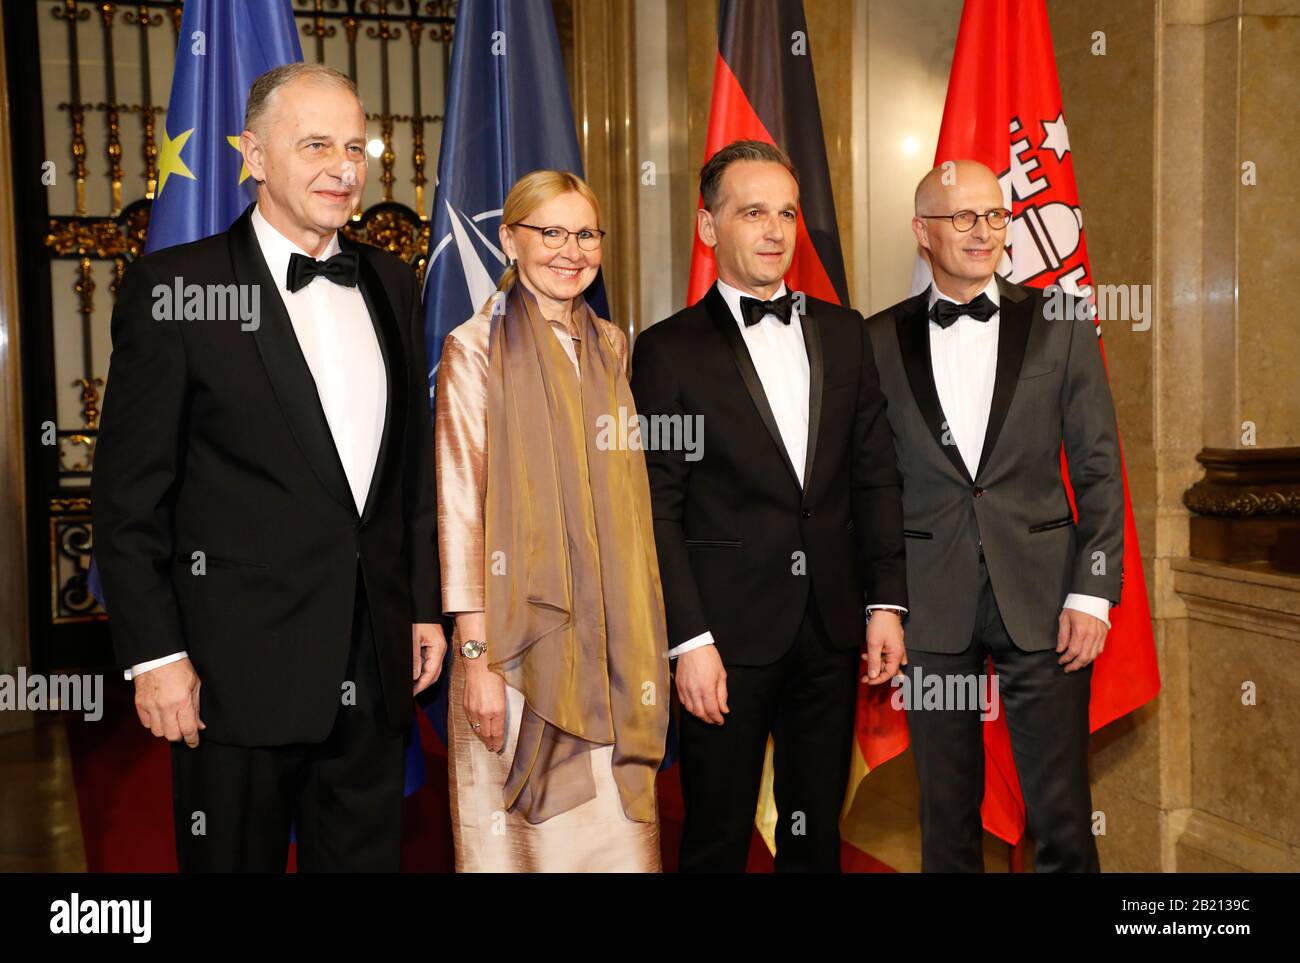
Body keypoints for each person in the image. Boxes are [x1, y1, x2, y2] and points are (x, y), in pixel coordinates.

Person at [92, 63, 447, 872]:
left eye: (356, 146)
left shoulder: (394, 280)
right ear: (253, 155)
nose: (344, 167)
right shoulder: (174, 288)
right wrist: (156, 656)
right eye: (316, 144)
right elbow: (127, 499)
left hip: (372, 664)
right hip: (230, 678)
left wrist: (422, 605)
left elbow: (409, 472)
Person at [630, 140, 908, 872]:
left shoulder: (845, 333)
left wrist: (886, 604)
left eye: (787, 212)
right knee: (716, 835)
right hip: (725, 636)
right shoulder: (667, 350)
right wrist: (689, 641)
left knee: (814, 835)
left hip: (831, 624)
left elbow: (876, 477)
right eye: (753, 212)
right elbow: (658, 507)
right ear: (708, 226)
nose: (775, 230)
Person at [863, 159, 1123, 872]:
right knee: (945, 818)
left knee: (1061, 814)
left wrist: (1093, 591)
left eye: (996, 215)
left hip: (1046, 597)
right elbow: (871, 483)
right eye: (963, 217)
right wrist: (881, 600)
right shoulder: (876, 339)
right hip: (929, 601)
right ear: (922, 231)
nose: (984, 232)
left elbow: (1099, 462)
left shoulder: (1060, 321)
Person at [435, 170, 669, 872]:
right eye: (551, 232)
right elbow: (459, 504)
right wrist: (475, 656)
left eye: (586, 233)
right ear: (510, 239)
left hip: (611, 642)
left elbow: (625, 502)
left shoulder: (611, 345)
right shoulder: (473, 349)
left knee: (619, 843)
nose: (571, 250)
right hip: (514, 646)